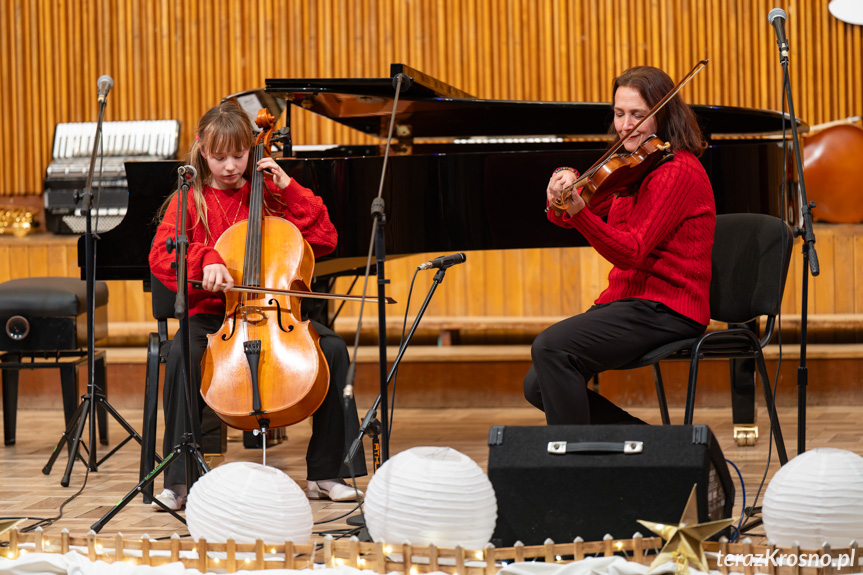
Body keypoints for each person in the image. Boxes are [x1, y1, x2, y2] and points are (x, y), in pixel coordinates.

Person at [149, 99, 366, 511]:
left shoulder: (266, 194)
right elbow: (161, 255)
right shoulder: (189, 200)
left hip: (274, 312)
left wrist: (291, 188)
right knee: (182, 354)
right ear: (201, 150)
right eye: (219, 157)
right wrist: (206, 257)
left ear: (251, 150)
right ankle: (179, 481)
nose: (230, 166)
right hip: (215, 315)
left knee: (333, 350)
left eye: (238, 155)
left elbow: (324, 239)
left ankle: (326, 472)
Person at [523, 66, 716, 425]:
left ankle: (578, 470)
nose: (626, 125)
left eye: (638, 115)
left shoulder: (677, 171)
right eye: (619, 113)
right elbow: (561, 217)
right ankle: (654, 451)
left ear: (663, 114)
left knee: (550, 348)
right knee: (537, 385)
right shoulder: (632, 168)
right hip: (630, 302)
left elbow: (631, 251)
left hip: (669, 308)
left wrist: (579, 212)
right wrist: (561, 185)